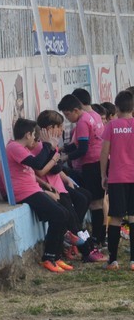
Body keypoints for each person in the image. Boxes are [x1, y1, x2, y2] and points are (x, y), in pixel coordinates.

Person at [33, 111, 102, 264]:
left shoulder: (52, 146)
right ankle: (86, 251)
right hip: (54, 190)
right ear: (50, 128)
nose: (62, 130)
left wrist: (66, 178)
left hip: (61, 188)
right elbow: (43, 170)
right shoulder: (41, 147)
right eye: (59, 127)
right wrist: (53, 155)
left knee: (76, 220)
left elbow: (57, 168)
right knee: (72, 222)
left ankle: (88, 248)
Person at [7, 118, 71, 273]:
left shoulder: (20, 148)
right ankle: (49, 257)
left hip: (32, 189)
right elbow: (37, 164)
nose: (35, 140)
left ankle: (56, 256)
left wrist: (44, 185)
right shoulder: (14, 147)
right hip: (23, 192)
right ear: (28, 134)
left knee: (64, 213)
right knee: (58, 215)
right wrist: (48, 145)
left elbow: (33, 169)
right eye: (34, 136)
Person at [59, 94, 106, 247]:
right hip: (99, 161)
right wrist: (62, 149)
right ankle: (100, 237)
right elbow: (78, 143)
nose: (67, 119)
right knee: (99, 201)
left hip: (91, 164)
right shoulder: (93, 116)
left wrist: (65, 158)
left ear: (75, 110)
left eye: (67, 115)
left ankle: (97, 238)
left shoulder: (82, 122)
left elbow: (82, 149)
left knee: (95, 203)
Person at [100, 89, 134, 269]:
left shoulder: (112, 126)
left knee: (115, 217)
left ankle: (113, 260)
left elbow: (104, 153)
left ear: (117, 107)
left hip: (117, 177)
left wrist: (103, 175)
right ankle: (133, 260)